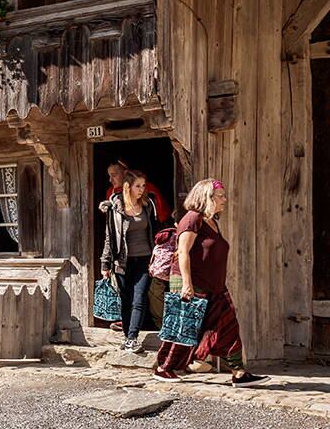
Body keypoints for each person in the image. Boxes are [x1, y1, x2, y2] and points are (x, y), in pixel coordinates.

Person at [152, 179, 269, 387]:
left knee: (228, 325)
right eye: (220, 195)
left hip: (214, 286)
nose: (225, 199)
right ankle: (164, 368)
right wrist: (186, 284)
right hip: (192, 284)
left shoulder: (212, 221)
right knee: (183, 327)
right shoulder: (192, 219)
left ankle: (239, 373)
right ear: (207, 197)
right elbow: (183, 253)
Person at [100, 169, 157, 353]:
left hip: (145, 259)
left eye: (143, 185)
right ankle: (126, 337)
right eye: (138, 186)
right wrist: (105, 263)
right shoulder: (115, 208)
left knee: (140, 298)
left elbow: (154, 230)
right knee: (125, 300)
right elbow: (109, 237)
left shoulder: (148, 205)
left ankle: (132, 338)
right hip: (122, 261)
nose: (142, 189)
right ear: (128, 187)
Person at [106, 160, 171, 223]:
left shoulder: (146, 187)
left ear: (125, 173)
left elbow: (162, 215)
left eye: (114, 175)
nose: (110, 180)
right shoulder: (111, 192)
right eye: (109, 176)